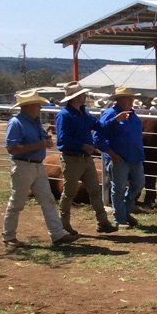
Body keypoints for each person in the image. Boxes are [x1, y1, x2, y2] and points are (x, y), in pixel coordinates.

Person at [1, 89, 78, 247]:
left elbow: (41, 138)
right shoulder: (16, 123)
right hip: (23, 166)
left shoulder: (34, 122)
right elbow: (11, 148)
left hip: (37, 165)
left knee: (47, 200)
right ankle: (8, 235)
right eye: (37, 105)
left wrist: (46, 139)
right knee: (17, 202)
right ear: (28, 106)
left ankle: (57, 235)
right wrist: (39, 145)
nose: (40, 108)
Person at [55, 82, 121, 235]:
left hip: (85, 158)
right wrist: (82, 145)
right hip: (72, 159)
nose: (84, 96)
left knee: (95, 191)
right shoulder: (64, 115)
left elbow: (99, 126)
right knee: (69, 193)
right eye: (82, 94)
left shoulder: (83, 113)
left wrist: (115, 120)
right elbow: (62, 140)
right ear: (76, 97)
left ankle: (102, 222)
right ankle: (63, 225)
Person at [96, 87, 145, 230]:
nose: (131, 101)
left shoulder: (132, 114)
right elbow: (97, 137)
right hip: (119, 158)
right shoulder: (110, 114)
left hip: (135, 156)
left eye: (131, 98)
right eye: (128, 98)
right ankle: (120, 218)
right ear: (119, 100)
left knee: (138, 184)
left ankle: (125, 211)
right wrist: (110, 153)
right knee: (118, 188)